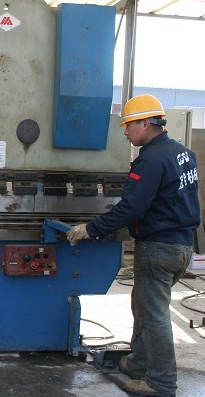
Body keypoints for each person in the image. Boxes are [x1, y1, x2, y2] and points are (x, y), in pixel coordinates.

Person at [67, 94, 200, 397]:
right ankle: (139, 363)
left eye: (129, 125)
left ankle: (161, 383)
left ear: (146, 123)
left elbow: (132, 208)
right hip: (181, 246)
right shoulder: (183, 153)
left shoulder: (150, 159)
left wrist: (91, 229)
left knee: (153, 316)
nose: (126, 131)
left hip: (158, 247)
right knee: (143, 305)